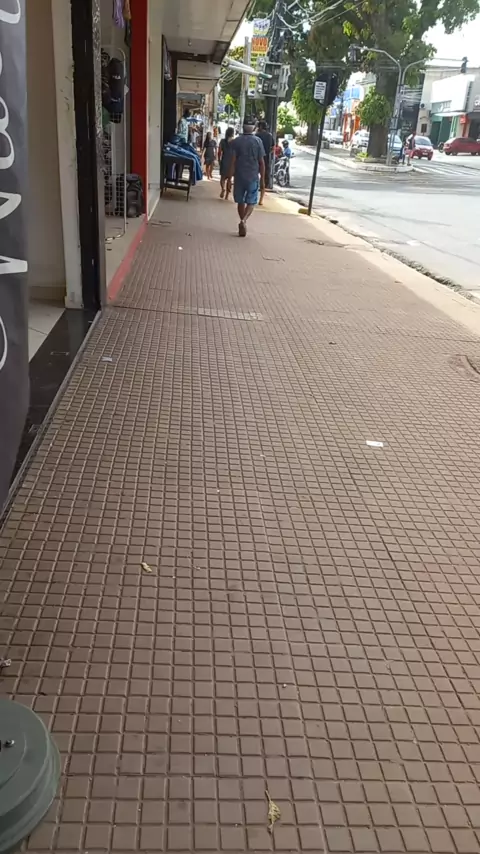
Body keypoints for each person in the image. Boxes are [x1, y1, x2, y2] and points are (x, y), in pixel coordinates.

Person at [229, 118, 265, 238]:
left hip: (239, 176)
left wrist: (229, 178)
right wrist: (262, 179)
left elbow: (233, 161)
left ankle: (242, 221)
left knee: (240, 201)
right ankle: (244, 220)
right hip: (253, 176)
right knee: (251, 201)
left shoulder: (236, 141)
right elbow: (261, 162)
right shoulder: (258, 141)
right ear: (253, 128)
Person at [255, 120, 274, 204]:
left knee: (254, 178)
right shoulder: (270, 136)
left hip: (256, 160)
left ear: (260, 127)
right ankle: (261, 200)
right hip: (266, 160)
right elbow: (273, 148)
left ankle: (253, 196)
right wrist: (268, 153)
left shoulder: (256, 136)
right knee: (263, 179)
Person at [218, 126, 235, 200]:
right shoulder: (234, 142)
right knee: (229, 179)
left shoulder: (222, 141)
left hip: (224, 160)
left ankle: (223, 189)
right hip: (232, 162)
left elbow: (219, 151)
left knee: (222, 178)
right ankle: (227, 196)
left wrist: (219, 159)